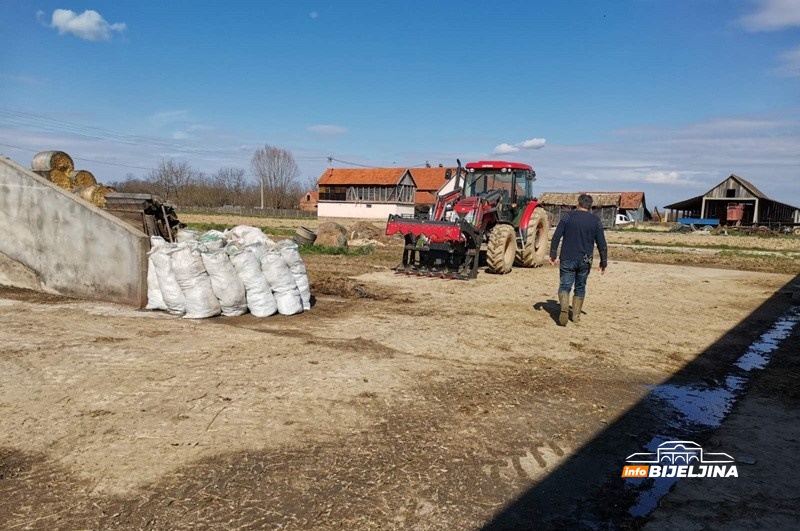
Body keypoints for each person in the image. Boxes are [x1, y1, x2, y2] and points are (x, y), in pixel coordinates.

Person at [548, 194, 608, 326]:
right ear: (590, 206)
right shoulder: (596, 220)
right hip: (585, 260)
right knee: (580, 287)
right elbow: (602, 244)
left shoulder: (567, 217)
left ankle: (564, 307)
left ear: (578, 203)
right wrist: (603, 262)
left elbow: (556, 237)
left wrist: (553, 255)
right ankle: (575, 316)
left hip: (567, 258)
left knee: (565, 286)